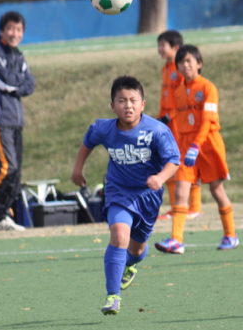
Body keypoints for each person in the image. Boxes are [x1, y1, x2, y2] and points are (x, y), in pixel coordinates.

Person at [71, 76, 179, 315]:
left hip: (148, 196)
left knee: (138, 249)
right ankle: (112, 296)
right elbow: (88, 142)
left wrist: (160, 178)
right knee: (119, 235)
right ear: (113, 106)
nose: (128, 105)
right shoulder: (103, 129)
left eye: (133, 100)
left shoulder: (157, 131)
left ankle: (130, 264)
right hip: (118, 191)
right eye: (121, 101)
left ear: (143, 104)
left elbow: (173, 161)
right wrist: (77, 169)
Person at [155, 45, 239, 254]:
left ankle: (230, 235)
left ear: (199, 64)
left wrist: (196, 145)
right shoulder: (178, 91)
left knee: (216, 190)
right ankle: (177, 240)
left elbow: (208, 121)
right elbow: (178, 117)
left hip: (208, 144)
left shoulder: (208, 88)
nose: (185, 66)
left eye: (188, 61)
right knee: (181, 189)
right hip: (186, 145)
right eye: (181, 63)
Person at [0, 10, 36, 232]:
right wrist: (17, 84)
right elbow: (6, 80)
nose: (14, 33)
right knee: (5, 167)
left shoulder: (18, 55)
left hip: (15, 119)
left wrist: (17, 85)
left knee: (16, 172)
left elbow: (30, 84)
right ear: (1, 30)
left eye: (19, 30)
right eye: (10, 28)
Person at [155, 30, 202, 221]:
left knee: (183, 163)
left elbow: (184, 98)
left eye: (162, 45)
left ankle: (194, 207)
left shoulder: (181, 70)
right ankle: (176, 207)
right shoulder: (166, 69)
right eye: (158, 45)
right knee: (166, 162)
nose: (159, 49)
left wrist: (170, 116)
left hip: (177, 122)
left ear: (175, 47)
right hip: (166, 121)